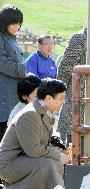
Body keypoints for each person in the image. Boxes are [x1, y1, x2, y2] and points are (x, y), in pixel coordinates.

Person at [0, 79, 70, 189]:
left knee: (53, 163)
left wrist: (56, 150)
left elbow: (40, 143)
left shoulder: (42, 110)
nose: (64, 102)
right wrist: (58, 155)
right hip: (9, 164)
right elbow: (32, 149)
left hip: (23, 158)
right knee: (48, 165)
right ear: (48, 98)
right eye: (61, 98)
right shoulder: (30, 114)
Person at [57, 12, 90, 143]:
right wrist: (63, 95)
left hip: (87, 102)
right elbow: (65, 68)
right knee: (72, 142)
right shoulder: (79, 39)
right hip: (75, 101)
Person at [0, 5, 26, 142]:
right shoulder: (1, 38)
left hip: (12, 92)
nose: (17, 26)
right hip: (3, 93)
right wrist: (22, 70)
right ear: (5, 23)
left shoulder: (12, 38)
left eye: (18, 23)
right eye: (13, 23)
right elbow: (1, 63)